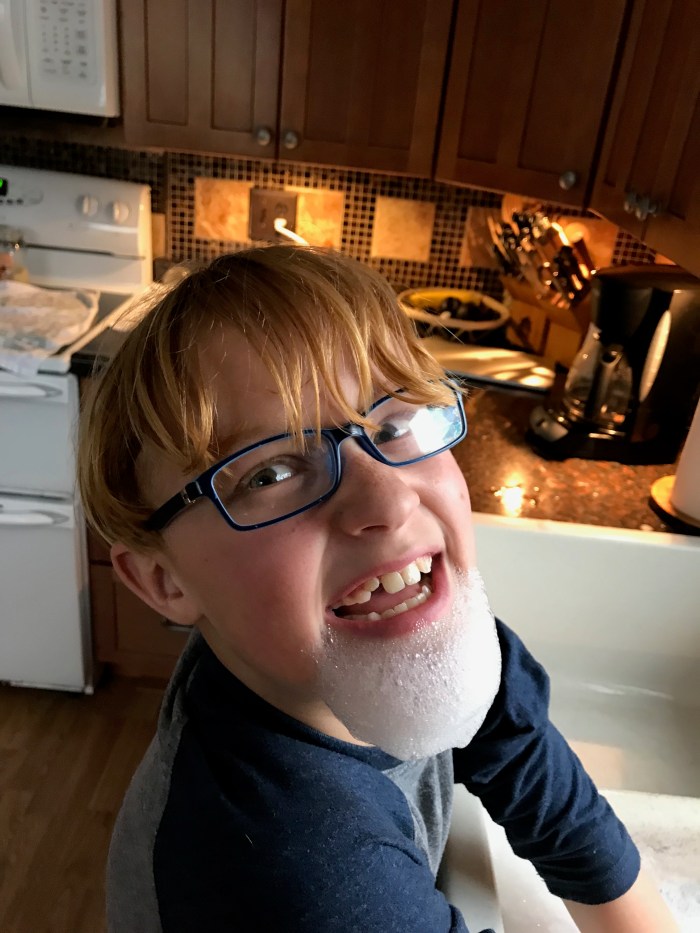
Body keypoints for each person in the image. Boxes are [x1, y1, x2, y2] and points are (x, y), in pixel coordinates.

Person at [78, 246, 677, 932]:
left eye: (392, 425)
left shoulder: (368, 631)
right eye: (270, 473)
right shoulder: (293, 868)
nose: (390, 499)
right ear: (163, 579)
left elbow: (526, 757)